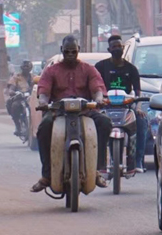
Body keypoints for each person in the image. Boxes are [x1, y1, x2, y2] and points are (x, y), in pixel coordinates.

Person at [31, 35, 111, 193]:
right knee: (43, 128)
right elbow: (44, 90)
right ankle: (46, 175)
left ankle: (97, 170)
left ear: (78, 51)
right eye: (67, 51)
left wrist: (99, 99)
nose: (70, 55)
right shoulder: (51, 71)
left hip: (84, 111)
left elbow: (97, 88)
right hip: (58, 112)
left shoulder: (88, 69)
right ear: (62, 50)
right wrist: (43, 102)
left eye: (73, 51)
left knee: (105, 123)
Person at [95, 34, 147, 172]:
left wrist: (139, 106)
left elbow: (137, 91)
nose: (117, 49)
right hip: (106, 106)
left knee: (141, 121)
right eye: (114, 47)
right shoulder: (100, 67)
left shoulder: (131, 69)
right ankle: (96, 162)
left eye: (119, 46)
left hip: (126, 105)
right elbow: (94, 86)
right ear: (109, 49)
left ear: (123, 48)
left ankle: (137, 162)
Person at [5, 60, 34, 136]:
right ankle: (18, 126)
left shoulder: (34, 77)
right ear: (21, 68)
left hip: (31, 98)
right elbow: (11, 88)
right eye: (24, 67)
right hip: (20, 98)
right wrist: (12, 91)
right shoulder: (16, 77)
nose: (26, 69)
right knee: (14, 106)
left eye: (27, 67)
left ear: (30, 68)